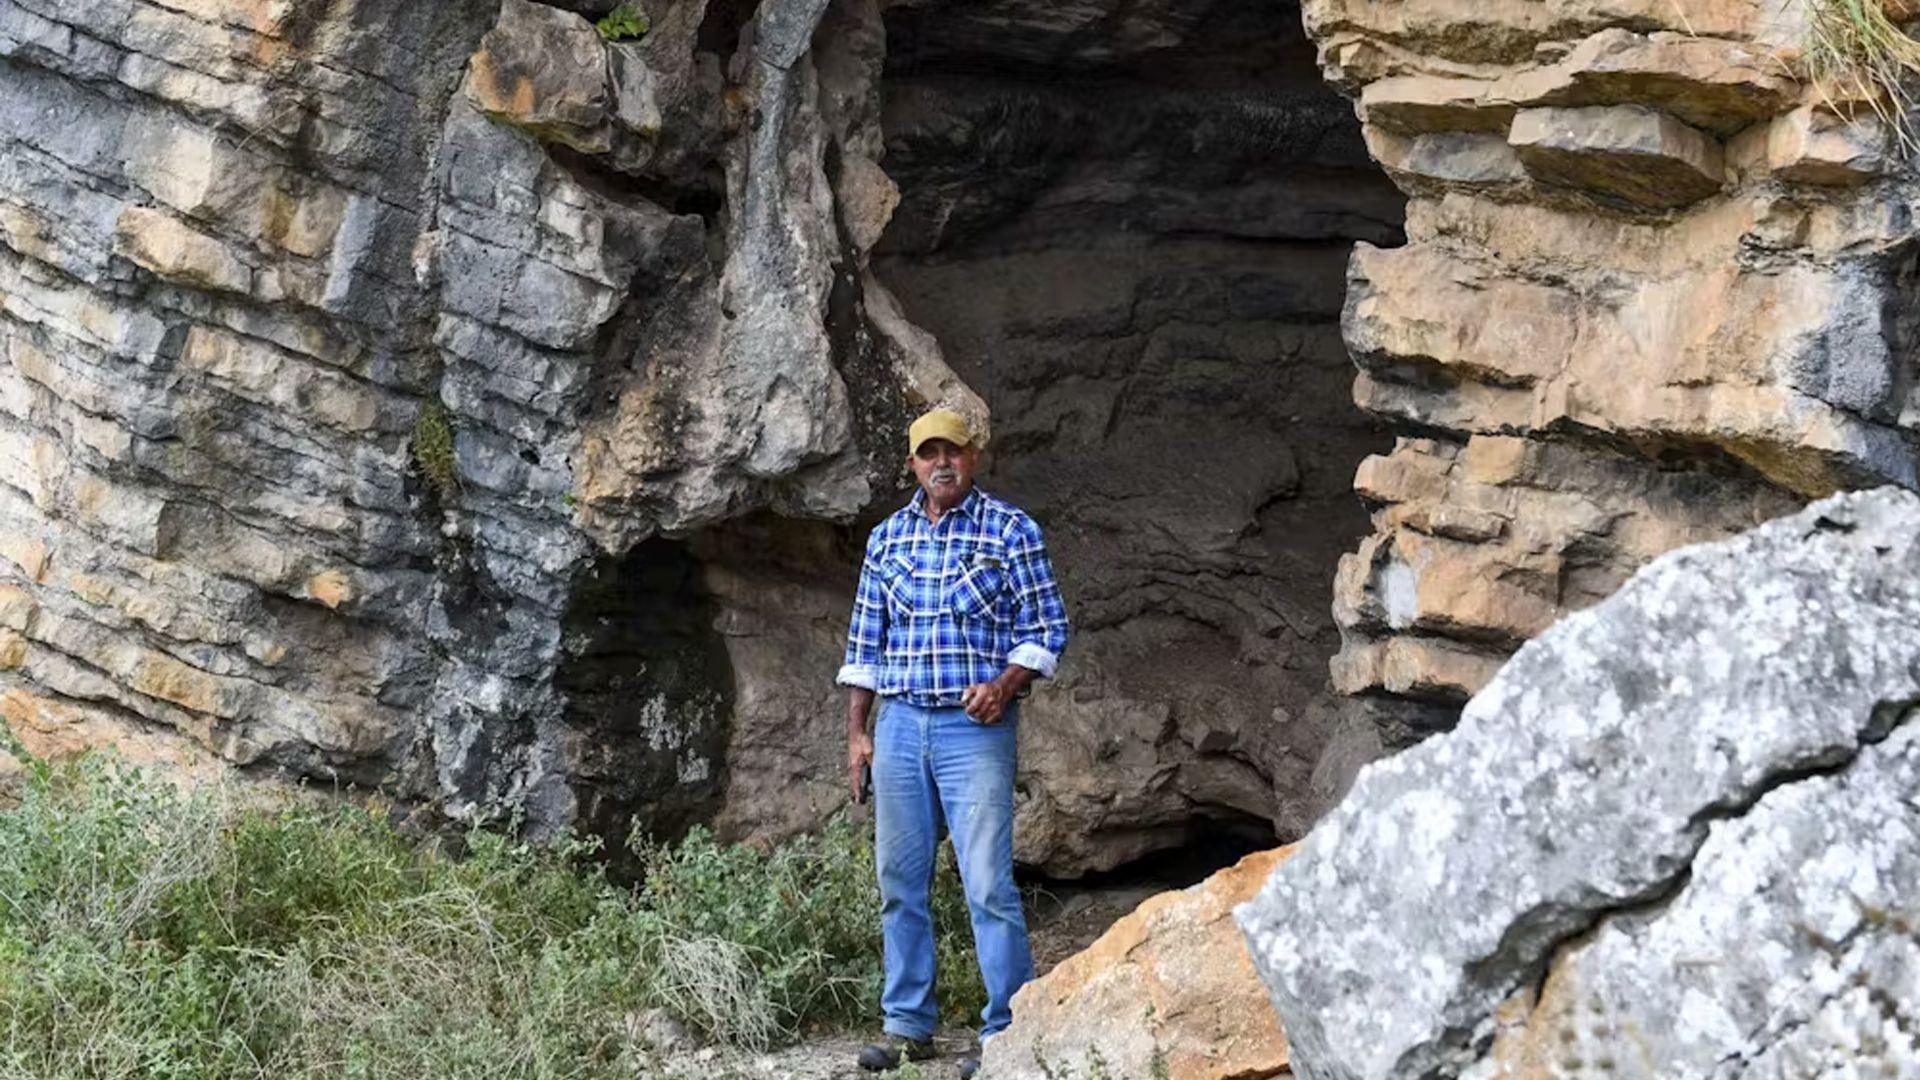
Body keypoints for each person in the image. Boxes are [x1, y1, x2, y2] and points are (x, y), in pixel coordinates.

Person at [837, 407, 1071, 1078]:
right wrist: (858, 734)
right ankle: (909, 1027)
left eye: (955, 451)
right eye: (929, 453)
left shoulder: (1010, 530)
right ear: (912, 464)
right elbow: (865, 644)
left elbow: (1049, 627)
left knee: (988, 882)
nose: (943, 462)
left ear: (975, 458)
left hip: (976, 730)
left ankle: (1008, 1031)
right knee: (899, 880)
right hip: (901, 725)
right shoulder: (888, 538)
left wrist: (1003, 685)